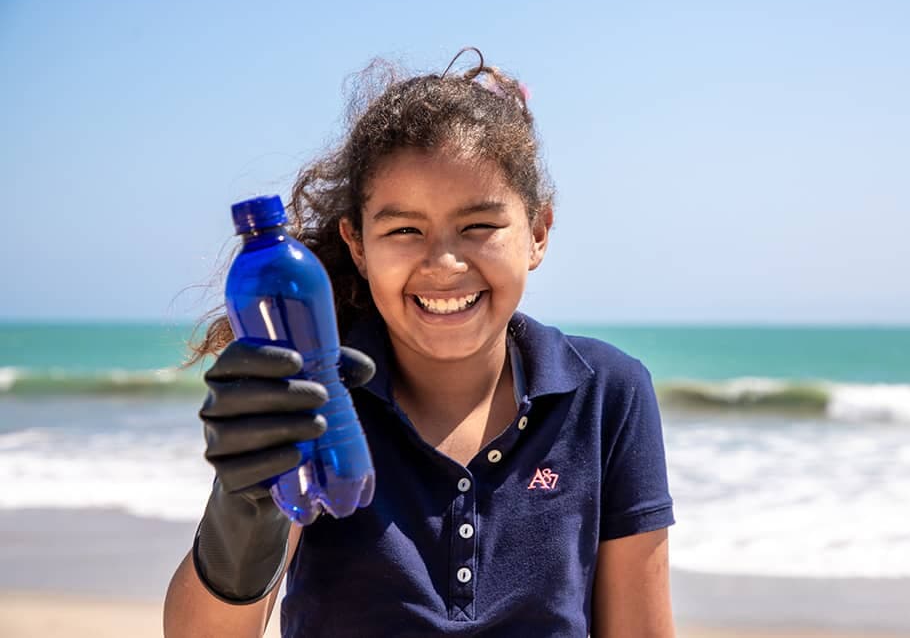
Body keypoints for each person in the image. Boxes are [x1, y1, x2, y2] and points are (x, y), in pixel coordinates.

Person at [163, 48, 675, 637]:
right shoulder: (315, 395)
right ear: (358, 244)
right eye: (404, 229)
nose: (445, 262)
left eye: (479, 226)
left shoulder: (608, 393)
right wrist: (241, 506)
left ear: (537, 233)